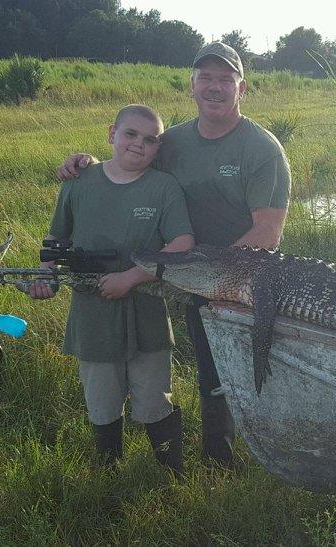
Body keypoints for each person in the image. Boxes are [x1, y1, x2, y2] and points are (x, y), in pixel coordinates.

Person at [56, 42, 292, 467]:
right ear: (192, 85)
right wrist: (86, 164)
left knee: (228, 367)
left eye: (226, 79)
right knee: (202, 362)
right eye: (206, 78)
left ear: (242, 88)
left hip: (242, 280)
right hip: (187, 270)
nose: (215, 87)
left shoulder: (261, 148)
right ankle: (201, 459)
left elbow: (268, 233)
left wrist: (214, 280)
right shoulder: (173, 141)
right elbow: (130, 158)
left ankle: (226, 460)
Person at [35, 104, 195, 473]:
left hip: (147, 311)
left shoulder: (163, 187)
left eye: (150, 139)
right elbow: (55, 241)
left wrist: (132, 277)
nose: (139, 144)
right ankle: (109, 475)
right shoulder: (79, 181)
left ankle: (173, 475)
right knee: (102, 399)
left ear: (158, 147)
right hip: (92, 313)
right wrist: (45, 278)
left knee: (154, 396)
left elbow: (182, 243)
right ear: (112, 133)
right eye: (130, 134)